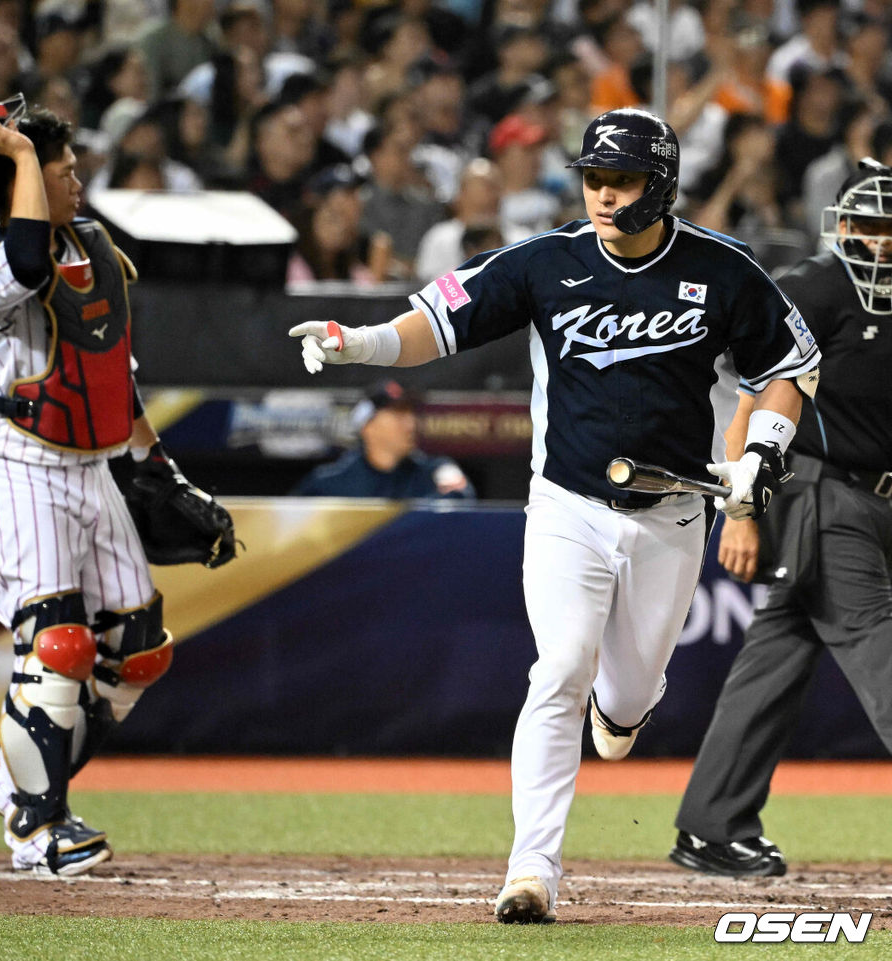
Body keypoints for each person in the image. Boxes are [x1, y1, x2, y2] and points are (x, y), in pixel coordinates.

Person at [288, 107, 820, 923]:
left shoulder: (722, 270)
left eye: (622, 180)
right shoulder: (547, 261)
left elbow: (792, 362)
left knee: (629, 700)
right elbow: (436, 322)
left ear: (663, 184)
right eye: (594, 179)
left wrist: (763, 452)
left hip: (672, 513)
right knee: (558, 666)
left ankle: (623, 707)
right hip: (567, 505)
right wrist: (357, 342)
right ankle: (531, 869)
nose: (604, 195)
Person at [0, 96, 235, 875]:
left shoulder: (95, 246)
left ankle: (22, 784)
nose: (75, 180)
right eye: (59, 169)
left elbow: (119, 376)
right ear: (15, 180)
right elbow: (23, 262)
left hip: (92, 463)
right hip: (18, 459)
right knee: (57, 641)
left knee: (140, 650)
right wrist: (16, 160)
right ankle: (40, 828)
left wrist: (160, 470)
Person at [671, 159, 892, 878]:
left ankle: (713, 824)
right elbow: (752, 403)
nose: (881, 243)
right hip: (823, 499)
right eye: (868, 225)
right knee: (877, 641)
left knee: (776, 657)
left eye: (891, 228)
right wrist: (739, 511)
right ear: (843, 226)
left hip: (874, 500)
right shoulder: (815, 289)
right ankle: (714, 821)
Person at [292, 380, 475, 498]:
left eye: (411, 413)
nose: (410, 424)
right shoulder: (330, 484)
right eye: (398, 414)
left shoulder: (434, 472)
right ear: (367, 426)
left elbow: (461, 503)